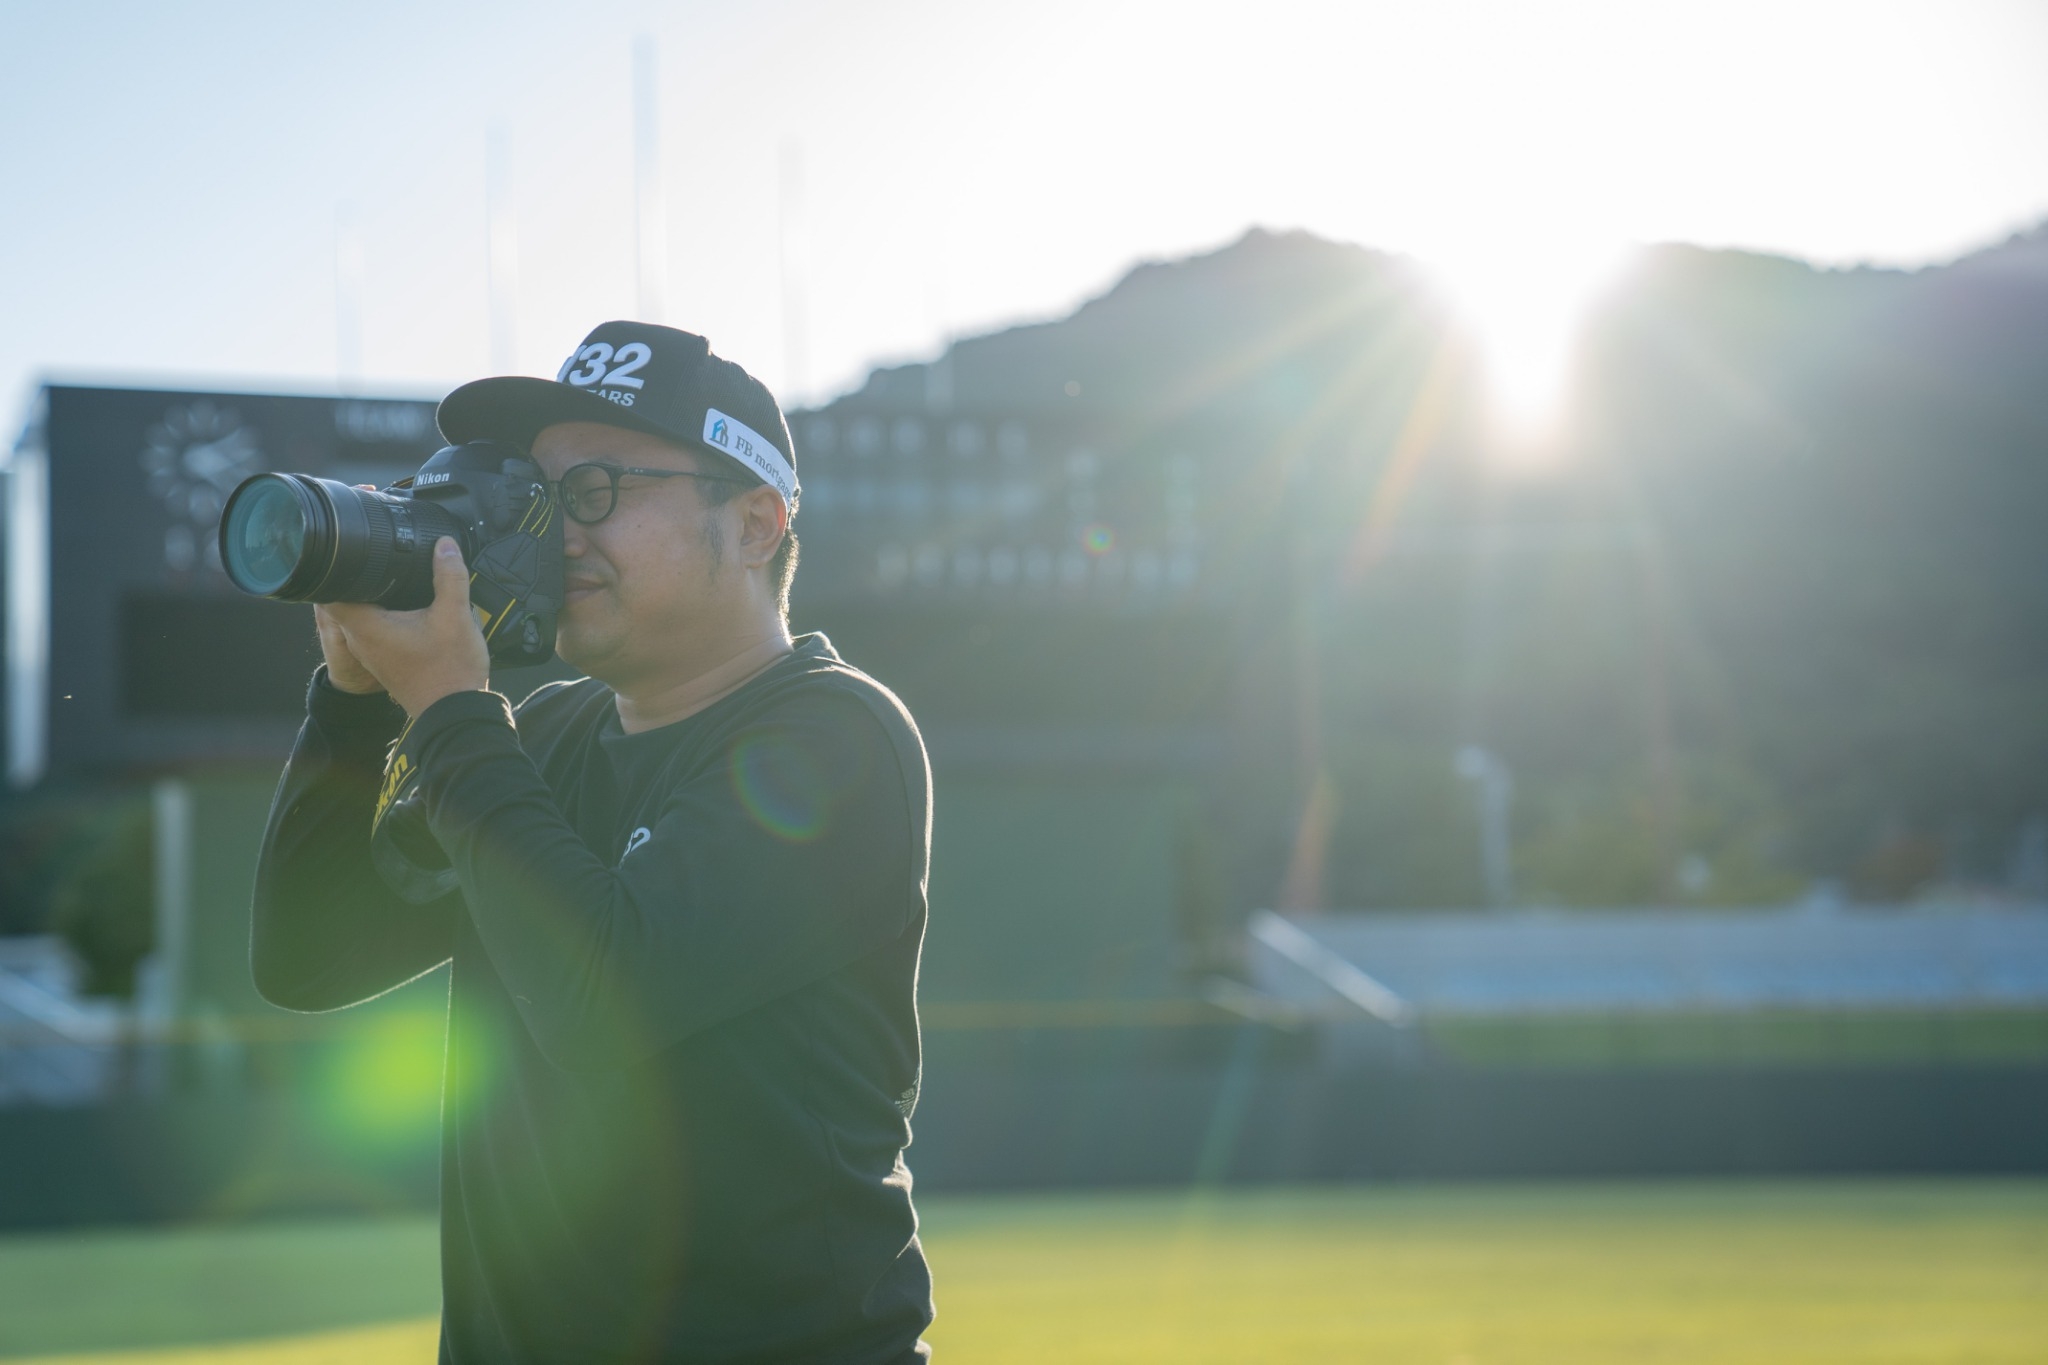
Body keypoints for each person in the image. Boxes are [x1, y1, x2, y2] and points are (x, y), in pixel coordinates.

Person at [249, 322, 935, 1364]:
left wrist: (445, 703)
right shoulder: (539, 737)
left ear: (754, 523)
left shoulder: (833, 738)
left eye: (597, 493)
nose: (552, 533)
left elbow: (606, 1002)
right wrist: (353, 701)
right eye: (537, 494)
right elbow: (308, 958)